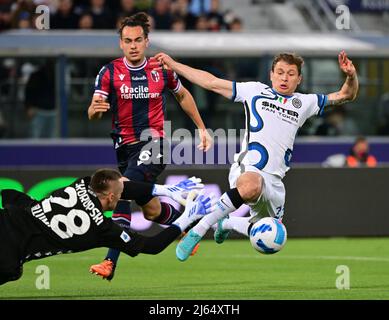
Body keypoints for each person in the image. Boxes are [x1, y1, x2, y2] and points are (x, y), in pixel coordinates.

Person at [154, 50, 359, 261]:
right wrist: (174, 64)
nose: (284, 78)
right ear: (271, 75)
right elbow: (211, 82)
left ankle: (227, 223)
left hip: (275, 182)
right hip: (249, 169)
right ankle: (199, 230)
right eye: (280, 72)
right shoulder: (254, 91)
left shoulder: (305, 102)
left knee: (270, 233)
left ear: (299, 79)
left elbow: (346, 95)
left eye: (290, 73)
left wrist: (351, 76)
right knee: (252, 186)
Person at [87, 12, 212, 279]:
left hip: (155, 143)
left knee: (120, 189)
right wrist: (94, 110)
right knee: (152, 211)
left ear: (146, 42)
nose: (133, 45)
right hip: (125, 148)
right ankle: (187, 223)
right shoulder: (108, 72)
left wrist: (202, 128)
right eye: (127, 40)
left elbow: (183, 95)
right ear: (121, 43)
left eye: (138, 40)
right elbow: (94, 110)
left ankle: (109, 262)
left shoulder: (161, 69)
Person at [0, 168, 214, 285]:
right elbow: (152, 246)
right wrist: (186, 218)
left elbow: (124, 187)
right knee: (12, 272)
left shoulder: (83, 183)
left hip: (9, 217)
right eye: (120, 196)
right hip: (8, 251)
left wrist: (166, 190)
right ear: (111, 197)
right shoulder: (102, 228)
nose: (123, 197)